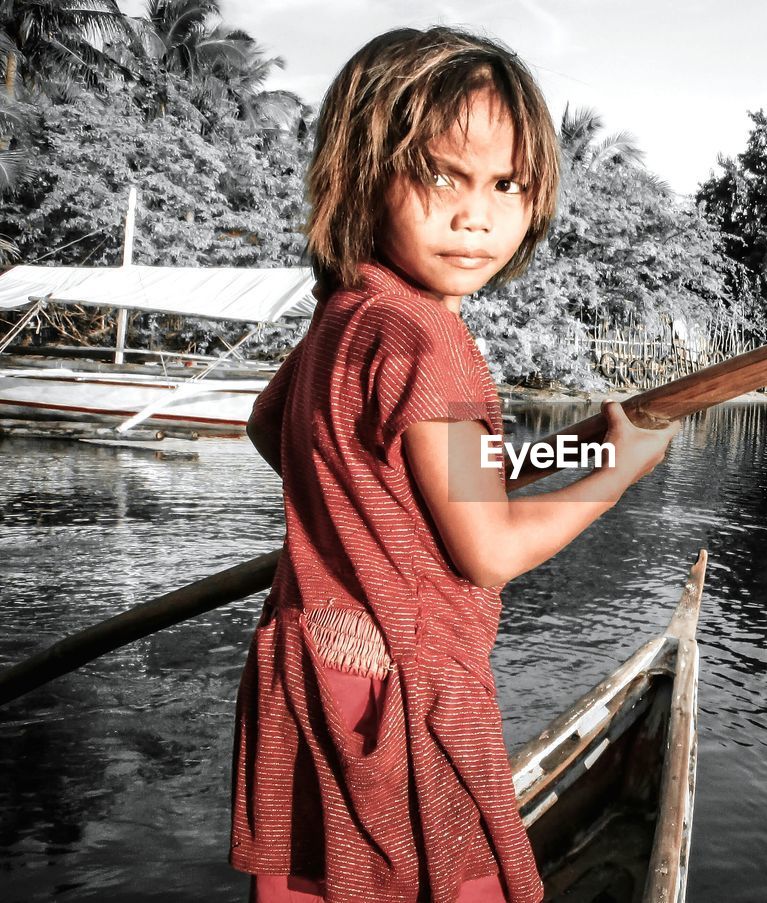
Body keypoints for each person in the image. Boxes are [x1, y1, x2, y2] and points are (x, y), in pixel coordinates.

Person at [228, 26, 679, 903]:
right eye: (442, 175)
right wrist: (615, 475)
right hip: (403, 688)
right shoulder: (432, 340)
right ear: (364, 174)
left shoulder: (349, 313)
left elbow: (273, 429)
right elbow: (490, 548)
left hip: (315, 663)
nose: (477, 215)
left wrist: (579, 444)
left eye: (507, 185)